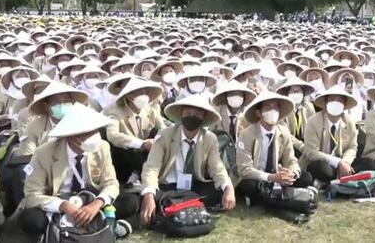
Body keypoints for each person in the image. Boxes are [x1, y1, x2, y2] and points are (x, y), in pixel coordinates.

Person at [20, 105, 135, 239]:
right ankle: (64, 228)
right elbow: (32, 194)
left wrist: (96, 205)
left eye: (95, 131)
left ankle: (97, 222)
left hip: (91, 198)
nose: (94, 136)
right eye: (87, 133)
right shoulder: (43, 153)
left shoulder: (102, 147)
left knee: (130, 201)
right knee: (31, 219)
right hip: (58, 201)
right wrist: (63, 206)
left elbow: (111, 183)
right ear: (71, 137)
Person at [139, 94, 236, 227]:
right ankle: (186, 204)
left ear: (204, 118)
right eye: (188, 112)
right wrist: (149, 195)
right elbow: (151, 167)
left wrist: (228, 187)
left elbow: (216, 168)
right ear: (181, 114)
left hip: (194, 185)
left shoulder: (210, 138)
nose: (192, 116)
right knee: (148, 194)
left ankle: (174, 205)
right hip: (168, 186)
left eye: (197, 114)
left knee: (219, 191)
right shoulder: (164, 135)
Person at [235, 91, 313, 206]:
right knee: (248, 185)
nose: (273, 111)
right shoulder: (247, 135)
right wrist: (272, 178)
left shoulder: (283, 132)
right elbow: (244, 169)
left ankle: (268, 195)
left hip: (276, 172)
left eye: (276, 107)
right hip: (257, 176)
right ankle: (274, 193)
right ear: (258, 113)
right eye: (268, 107)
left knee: (306, 177)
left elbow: (291, 159)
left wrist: (292, 173)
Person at [299, 87, 369, 186]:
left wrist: (345, 162)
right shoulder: (313, 122)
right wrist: (338, 162)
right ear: (326, 103)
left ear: (344, 105)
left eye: (340, 100)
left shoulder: (348, 122)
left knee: (369, 163)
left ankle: (330, 180)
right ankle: (343, 178)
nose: (336, 103)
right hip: (322, 162)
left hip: (342, 160)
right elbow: (311, 152)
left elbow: (352, 147)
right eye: (332, 100)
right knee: (321, 168)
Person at [105, 77, 166, 183]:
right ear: (129, 95)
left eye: (145, 91)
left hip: (149, 150)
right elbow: (112, 135)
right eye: (138, 92)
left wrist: (157, 141)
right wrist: (141, 144)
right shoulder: (115, 112)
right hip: (126, 154)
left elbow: (163, 128)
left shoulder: (151, 110)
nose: (143, 95)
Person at [275, 77, 316, 157]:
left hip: (307, 143)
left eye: (298, 91)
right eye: (293, 91)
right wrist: (301, 146)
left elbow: (314, 128)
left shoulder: (309, 107)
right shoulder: (282, 109)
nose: (296, 94)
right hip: (288, 144)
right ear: (287, 93)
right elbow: (285, 133)